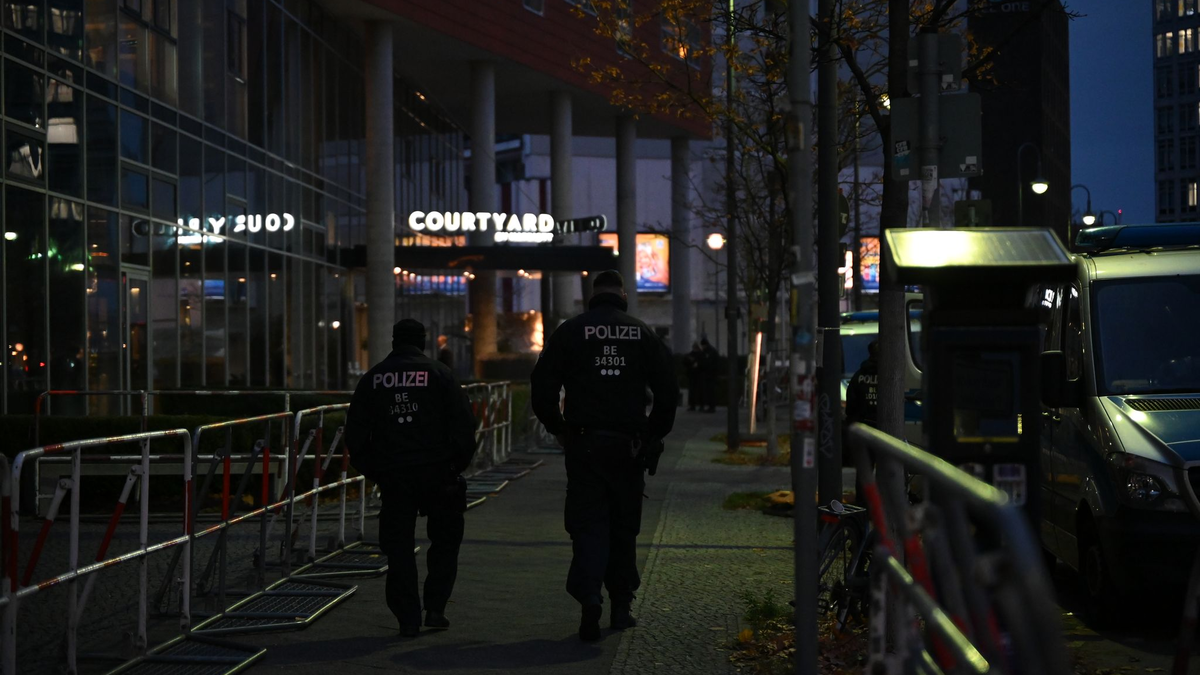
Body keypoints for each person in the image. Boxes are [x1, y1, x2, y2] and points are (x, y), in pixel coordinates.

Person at [530, 270, 678, 642]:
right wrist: (653, 433)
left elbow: (542, 385)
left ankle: (589, 596)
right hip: (628, 447)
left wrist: (558, 427)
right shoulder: (642, 332)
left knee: (587, 524)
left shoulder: (570, 331)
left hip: (584, 444)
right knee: (623, 526)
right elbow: (668, 391)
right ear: (623, 296)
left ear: (593, 296)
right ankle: (621, 605)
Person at [345, 319, 477, 637]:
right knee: (445, 541)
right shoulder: (441, 374)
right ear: (423, 342)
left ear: (394, 342)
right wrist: (455, 466)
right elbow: (464, 426)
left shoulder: (373, 378)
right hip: (439, 473)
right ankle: (435, 608)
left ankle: (407, 617)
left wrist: (378, 472)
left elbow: (356, 435)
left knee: (399, 547)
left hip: (395, 477)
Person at [845, 339, 880, 429]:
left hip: (862, 427)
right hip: (882, 426)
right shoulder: (889, 377)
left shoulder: (859, 376)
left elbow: (850, 405)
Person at [699, 338, 719, 412]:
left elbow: (707, 362)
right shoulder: (711, 351)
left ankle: (711, 406)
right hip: (710, 374)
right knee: (709, 391)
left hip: (709, 374)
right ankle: (711, 406)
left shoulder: (709, 352)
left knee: (710, 391)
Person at [683, 342, 703, 411]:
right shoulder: (698, 354)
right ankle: (696, 406)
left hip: (696, 375)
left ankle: (695, 406)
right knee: (696, 391)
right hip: (695, 375)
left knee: (696, 391)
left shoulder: (695, 354)